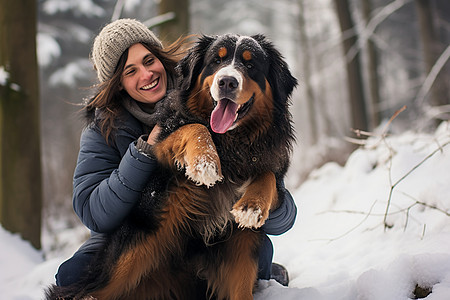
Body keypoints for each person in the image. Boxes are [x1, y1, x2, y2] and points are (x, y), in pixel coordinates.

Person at [54, 18, 297, 288]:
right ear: (118, 83)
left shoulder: (200, 89)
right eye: (130, 71)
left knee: (257, 253)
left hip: (210, 233)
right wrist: (146, 150)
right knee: (72, 276)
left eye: (148, 61)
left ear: (160, 57)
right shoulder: (104, 129)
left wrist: (263, 195)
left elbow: (282, 221)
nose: (146, 75)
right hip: (136, 231)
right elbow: (95, 213)